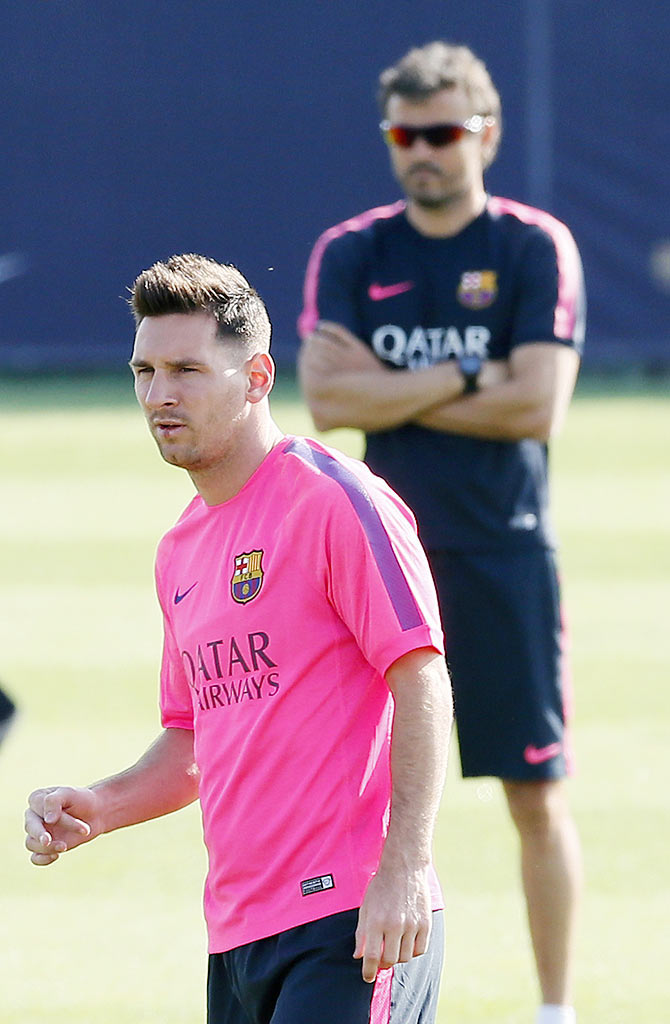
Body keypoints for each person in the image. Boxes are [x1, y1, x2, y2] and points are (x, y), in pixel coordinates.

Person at [24, 254, 453, 1024]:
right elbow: (194, 738)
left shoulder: (334, 501)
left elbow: (419, 675)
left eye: (186, 369)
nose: (159, 395)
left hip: (350, 919)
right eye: (144, 371)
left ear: (256, 376)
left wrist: (406, 866)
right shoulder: (180, 548)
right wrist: (101, 803)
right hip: (238, 935)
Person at [298, 41, 584, 1024]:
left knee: (534, 794)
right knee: (358, 803)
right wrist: (473, 378)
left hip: (501, 546)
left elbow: (538, 405)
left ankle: (553, 1009)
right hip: (376, 560)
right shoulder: (353, 250)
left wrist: (404, 392)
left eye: (443, 132)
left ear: (486, 134)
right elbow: (327, 397)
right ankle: (358, 992)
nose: (422, 150)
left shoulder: (530, 247)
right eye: (404, 134)